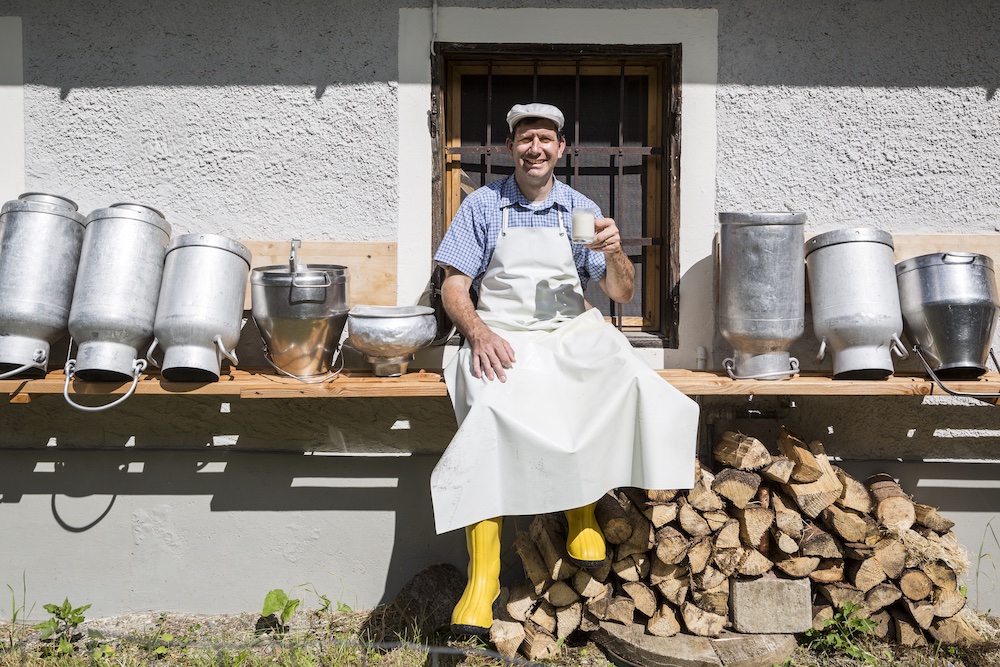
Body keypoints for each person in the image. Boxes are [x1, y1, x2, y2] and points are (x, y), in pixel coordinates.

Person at [431, 102, 699, 635]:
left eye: (546, 140)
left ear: (560, 148)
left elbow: (619, 291)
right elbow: (454, 287)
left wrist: (616, 251)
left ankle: (582, 511)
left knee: (620, 376)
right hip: (502, 334)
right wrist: (479, 333)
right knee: (489, 412)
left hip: (568, 331)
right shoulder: (483, 206)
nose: (536, 149)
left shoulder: (579, 207)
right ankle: (482, 576)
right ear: (511, 148)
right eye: (526, 139)